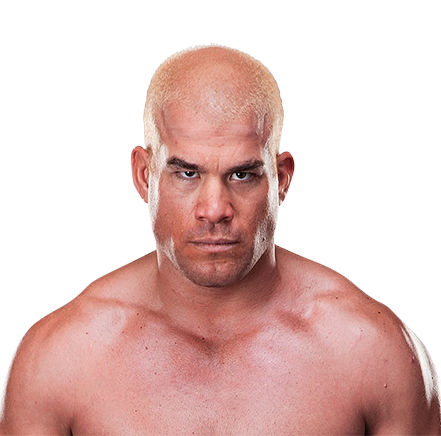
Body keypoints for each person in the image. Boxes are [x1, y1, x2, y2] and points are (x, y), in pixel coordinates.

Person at [1, 45, 440, 436]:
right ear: (144, 176)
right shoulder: (61, 360)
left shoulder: (371, 353)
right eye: (187, 173)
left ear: (281, 180)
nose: (214, 209)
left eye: (242, 174)